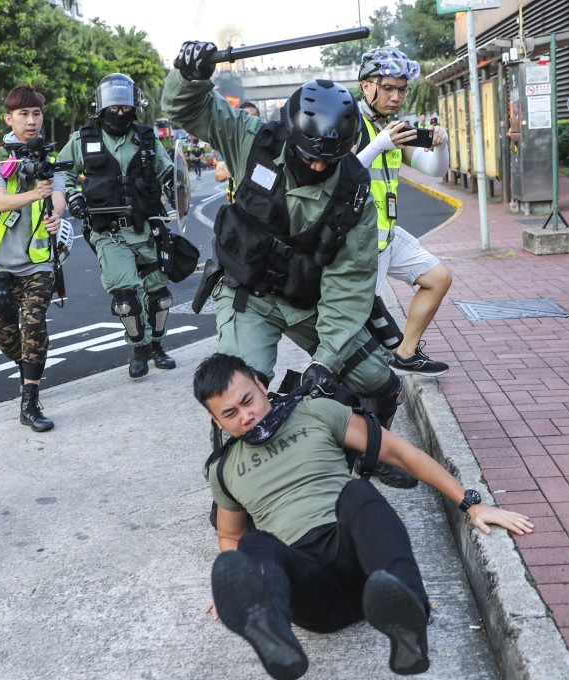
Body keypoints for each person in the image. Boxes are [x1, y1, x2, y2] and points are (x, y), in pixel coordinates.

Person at [163, 41, 413, 488]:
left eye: (328, 158)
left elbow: (349, 284)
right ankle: (231, 492)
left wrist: (325, 362)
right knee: (240, 392)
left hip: (308, 301)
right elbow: (188, 108)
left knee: (380, 383)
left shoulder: (355, 192)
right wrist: (192, 74)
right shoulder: (252, 138)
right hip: (247, 292)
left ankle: (371, 454)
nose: (317, 164)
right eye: (308, 154)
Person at [193, 353, 534, 680]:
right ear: (216, 421)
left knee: (358, 492)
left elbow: (400, 453)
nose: (245, 416)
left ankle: (409, 615)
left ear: (259, 383)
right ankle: (272, 630)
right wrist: (241, 586)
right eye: (230, 413)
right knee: (255, 542)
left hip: (365, 567)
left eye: (247, 400)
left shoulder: (316, 412)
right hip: (310, 592)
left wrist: (471, 504)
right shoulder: (224, 469)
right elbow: (231, 536)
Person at [57, 73, 177, 380]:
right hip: (110, 232)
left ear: (134, 106)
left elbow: (171, 174)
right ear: (101, 105)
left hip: (148, 228)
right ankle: (139, 348)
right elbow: (62, 174)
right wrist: (73, 198)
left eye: (125, 107)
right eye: (114, 106)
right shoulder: (82, 140)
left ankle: (158, 347)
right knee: (125, 301)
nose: (119, 112)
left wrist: (177, 192)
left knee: (160, 296)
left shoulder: (147, 138)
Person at [355, 45, 453, 377]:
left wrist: (443, 144)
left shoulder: (394, 129)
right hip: (358, 242)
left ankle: (406, 353)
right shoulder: (348, 123)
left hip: (387, 236)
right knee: (350, 327)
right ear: (366, 86)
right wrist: (378, 144)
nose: (396, 97)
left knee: (438, 278)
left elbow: (434, 169)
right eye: (387, 88)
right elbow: (338, 176)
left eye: (401, 89)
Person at [0, 84, 66, 431]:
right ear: (8, 118)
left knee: (33, 323)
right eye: (24, 114)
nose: (31, 121)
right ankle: (30, 362)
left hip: (38, 263)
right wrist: (35, 193)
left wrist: (56, 212)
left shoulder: (49, 158)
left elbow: (58, 194)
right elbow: (0, 200)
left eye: (37, 113)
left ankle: (29, 402)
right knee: (4, 338)